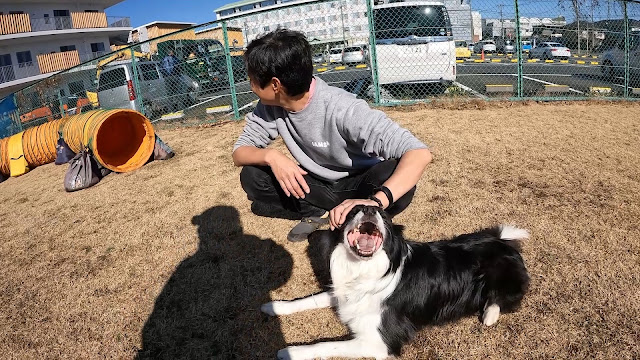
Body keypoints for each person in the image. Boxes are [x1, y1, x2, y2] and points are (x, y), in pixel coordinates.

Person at [232, 29, 432, 242]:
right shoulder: (269, 106)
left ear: (275, 85)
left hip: (360, 184)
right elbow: (239, 153)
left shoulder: (342, 108)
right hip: (317, 185)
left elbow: (419, 153)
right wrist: (271, 156)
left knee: (396, 177)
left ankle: (364, 216)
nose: (251, 85)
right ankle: (316, 212)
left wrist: (377, 201)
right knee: (253, 175)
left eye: (252, 79)